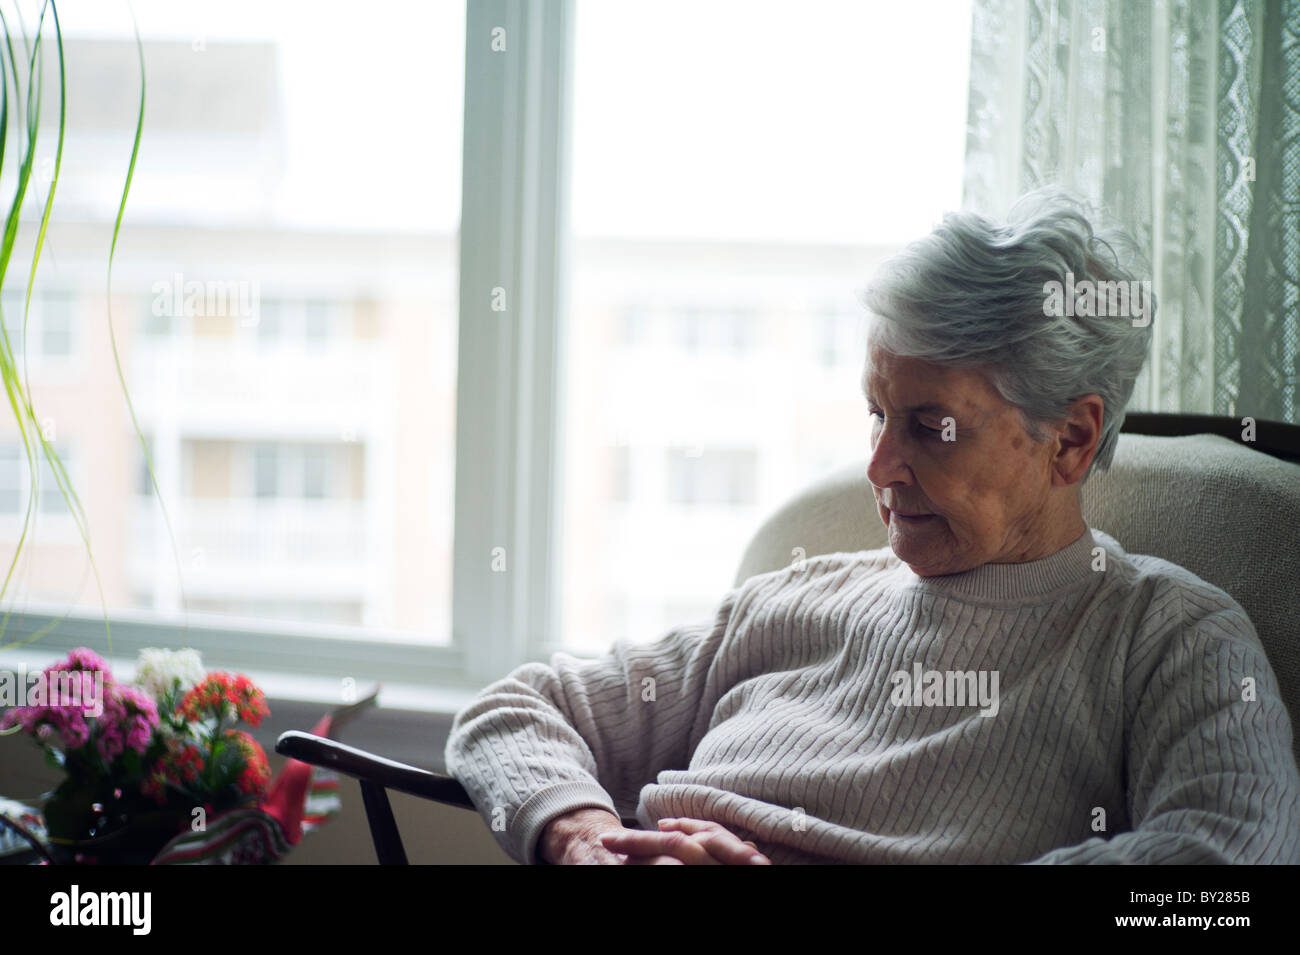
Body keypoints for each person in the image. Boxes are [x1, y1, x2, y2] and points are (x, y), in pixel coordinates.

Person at [444, 188, 1300, 864]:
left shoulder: (1169, 641)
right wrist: (583, 833)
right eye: (875, 415)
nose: (879, 466)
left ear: (1070, 437)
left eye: (930, 427)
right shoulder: (788, 602)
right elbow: (516, 709)